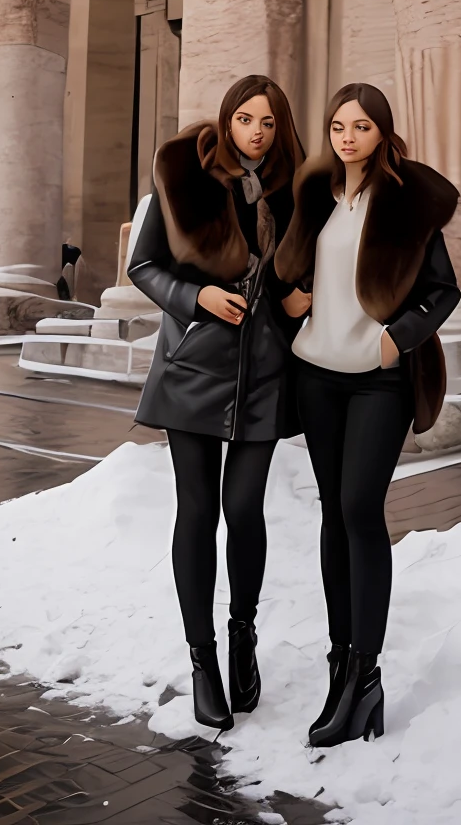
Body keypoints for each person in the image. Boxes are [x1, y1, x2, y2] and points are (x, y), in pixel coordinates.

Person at [274, 83, 460, 749]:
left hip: (378, 380)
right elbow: (287, 270)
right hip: (317, 375)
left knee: (359, 509)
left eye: (359, 126)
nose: (346, 137)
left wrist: (396, 338)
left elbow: (443, 290)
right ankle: (340, 668)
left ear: (381, 132)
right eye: (336, 126)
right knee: (333, 513)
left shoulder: (403, 205)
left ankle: (366, 672)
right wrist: (292, 299)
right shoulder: (316, 199)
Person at [128, 74, 309, 733]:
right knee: (199, 512)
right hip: (193, 366)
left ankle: (242, 637)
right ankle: (202, 662)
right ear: (226, 120)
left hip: (264, 371)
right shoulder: (182, 178)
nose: (255, 132)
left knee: (245, 509)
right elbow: (143, 266)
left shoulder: (295, 193)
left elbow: (305, 273)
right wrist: (196, 299)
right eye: (245, 119)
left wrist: (299, 297)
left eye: (267, 122)